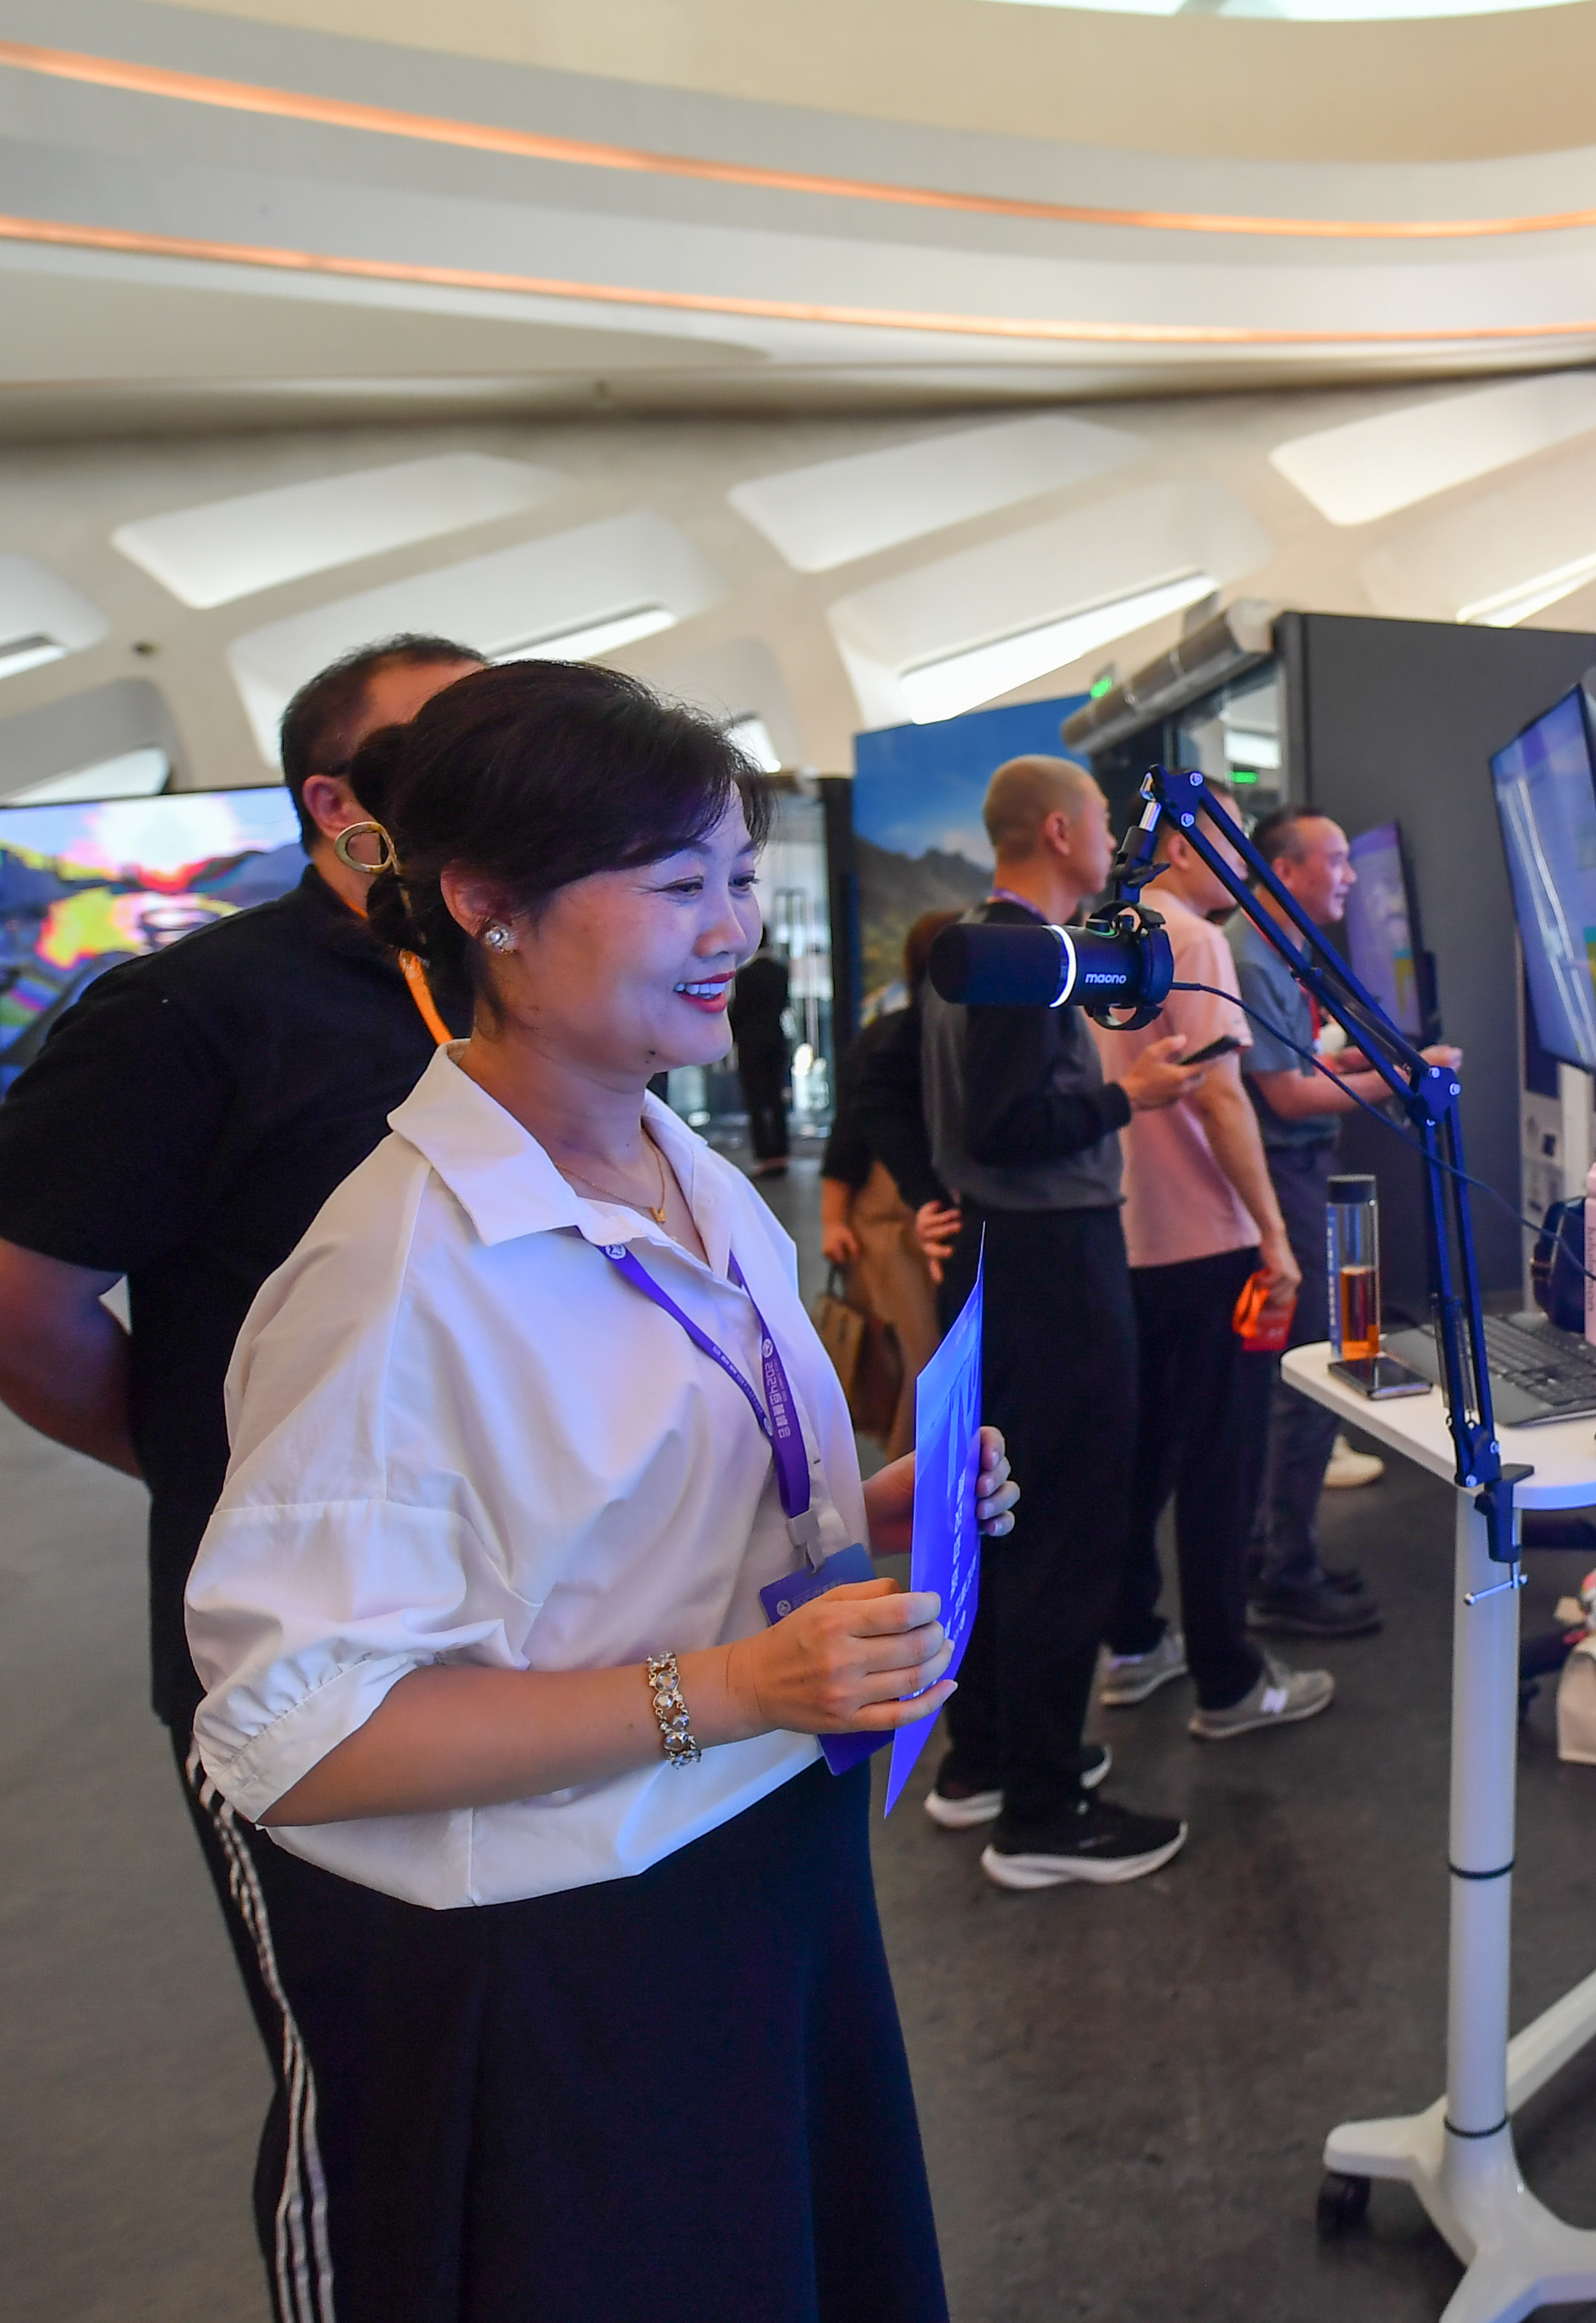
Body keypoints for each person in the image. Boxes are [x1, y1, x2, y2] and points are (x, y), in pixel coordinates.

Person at [182, 659, 1016, 2317]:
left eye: (737, 878)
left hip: (770, 1866)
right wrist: (728, 1685)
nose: (734, 929)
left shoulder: (674, 1157)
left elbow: (633, 1509)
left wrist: (869, 1504)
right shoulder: (398, 1274)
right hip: (587, 1948)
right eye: (675, 883)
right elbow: (299, 1737)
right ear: (486, 902)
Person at [0, 630, 479, 2319]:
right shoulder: (194, 1009)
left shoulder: (502, 988)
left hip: (511, 1629)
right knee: (369, 2086)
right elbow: (26, 1299)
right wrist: (216, 1467)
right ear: (340, 803)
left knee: (503, 2058)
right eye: (445, 747)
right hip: (298, 1658)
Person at [917, 754, 1210, 1888]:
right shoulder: (1025, 958)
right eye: (1102, 822)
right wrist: (1129, 1095)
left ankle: (991, 1759)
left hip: (1003, 1255)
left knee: (1002, 1524)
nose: (1117, 844)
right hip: (1052, 1262)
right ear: (1056, 830)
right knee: (1063, 1530)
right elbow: (1008, 1122)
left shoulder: (974, 945)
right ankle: (1043, 1813)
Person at [1089, 821, 1333, 1732]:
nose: (1243, 862)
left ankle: (1133, 1644)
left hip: (1130, 1236)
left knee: (1144, 1454)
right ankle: (1230, 1681)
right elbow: (1221, 1096)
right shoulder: (1192, 939)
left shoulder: (1110, 931)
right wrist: (1274, 1234)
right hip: (1208, 1239)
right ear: (1185, 849)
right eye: (1227, 843)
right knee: (1221, 1467)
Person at [1229, 807, 1461, 1637]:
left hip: (1296, 1171)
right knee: (1313, 1367)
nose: (1350, 876)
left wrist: (1367, 1060)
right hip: (1284, 1174)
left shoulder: (1274, 952)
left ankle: (1278, 1553)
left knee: (1309, 1366)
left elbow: (1293, 1066)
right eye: (1334, 860)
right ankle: (1283, 1573)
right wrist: (1406, 1080)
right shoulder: (1251, 957)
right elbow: (1287, 1096)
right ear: (1286, 870)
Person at [821, 910, 963, 1459]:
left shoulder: (946, 1032)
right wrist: (832, 1220)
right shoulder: (894, 1036)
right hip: (885, 1223)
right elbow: (850, 1133)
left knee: (930, 1355)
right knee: (923, 1354)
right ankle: (912, 1483)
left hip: (925, 1214)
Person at [729, 944, 796, 1175]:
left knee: (755, 1100)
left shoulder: (746, 975)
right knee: (777, 1098)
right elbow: (784, 1003)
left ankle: (764, 1155)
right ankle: (781, 1153)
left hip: (751, 1043)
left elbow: (739, 1009)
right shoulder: (780, 971)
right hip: (776, 1040)